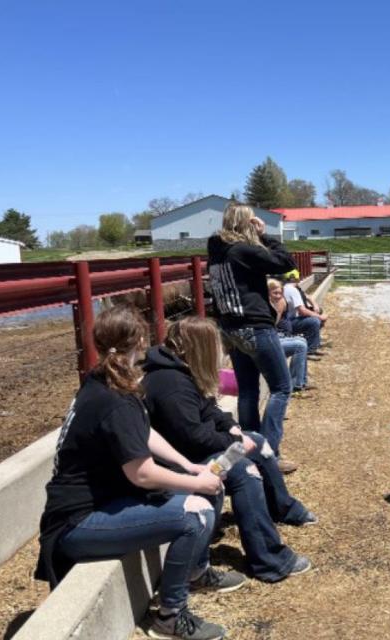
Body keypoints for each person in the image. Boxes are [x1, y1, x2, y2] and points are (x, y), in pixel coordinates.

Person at [35, 306, 235, 640]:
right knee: (196, 513)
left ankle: (196, 571)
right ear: (141, 340)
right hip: (77, 523)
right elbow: (141, 474)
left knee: (204, 490)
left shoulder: (105, 381)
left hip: (94, 505)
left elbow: (142, 432)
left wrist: (188, 466)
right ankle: (171, 615)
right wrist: (195, 482)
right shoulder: (114, 397)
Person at [143, 316, 315, 583]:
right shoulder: (169, 384)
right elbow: (192, 438)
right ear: (199, 347)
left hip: (196, 454)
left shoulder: (181, 369)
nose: (220, 352)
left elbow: (209, 409)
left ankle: (283, 508)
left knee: (256, 439)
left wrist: (232, 428)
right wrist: (231, 443)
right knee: (243, 469)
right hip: (183, 466)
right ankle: (268, 560)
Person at [207, 203, 296, 459]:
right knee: (281, 387)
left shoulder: (216, 250)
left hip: (230, 328)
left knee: (247, 390)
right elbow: (285, 262)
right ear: (247, 223)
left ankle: (249, 449)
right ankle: (268, 451)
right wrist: (265, 235)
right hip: (255, 326)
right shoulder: (244, 250)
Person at [268, 279, 312, 395]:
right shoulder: (268, 305)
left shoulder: (279, 302)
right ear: (268, 293)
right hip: (272, 340)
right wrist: (278, 308)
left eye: (280, 293)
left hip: (280, 336)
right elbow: (272, 325)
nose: (278, 296)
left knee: (302, 340)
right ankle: (295, 385)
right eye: (275, 293)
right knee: (300, 345)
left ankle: (301, 381)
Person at [283, 275, 328, 356]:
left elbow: (307, 297)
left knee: (317, 314)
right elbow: (302, 311)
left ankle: (314, 342)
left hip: (288, 320)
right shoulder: (292, 290)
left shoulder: (290, 288)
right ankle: (310, 350)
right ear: (296, 279)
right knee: (314, 321)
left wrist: (315, 305)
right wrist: (320, 317)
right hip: (289, 323)